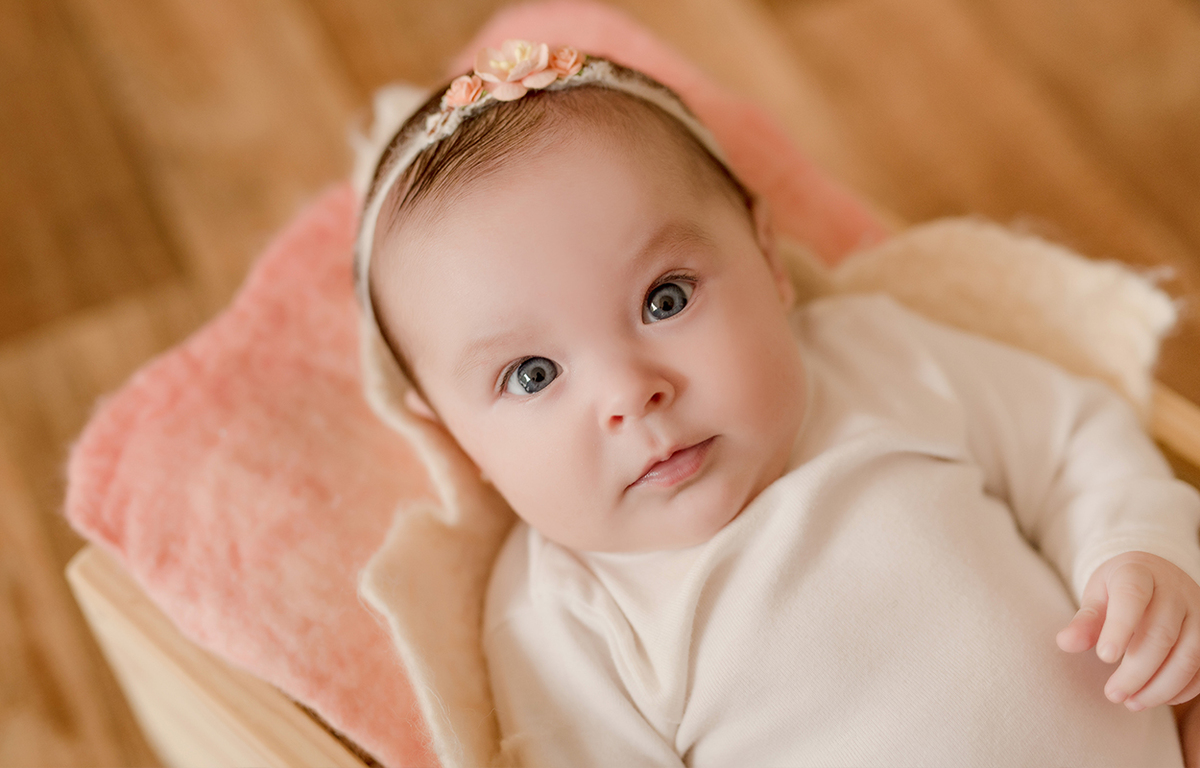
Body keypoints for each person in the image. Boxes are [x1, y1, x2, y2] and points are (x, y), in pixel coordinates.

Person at [354, 40, 1200, 766]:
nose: (630, 393)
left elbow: (1069, 442)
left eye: (666, 299)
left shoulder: (877, 358)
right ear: (462, 442)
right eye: (533, 375)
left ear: (769, 260)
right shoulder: (561, 618)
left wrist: (1136, 555)